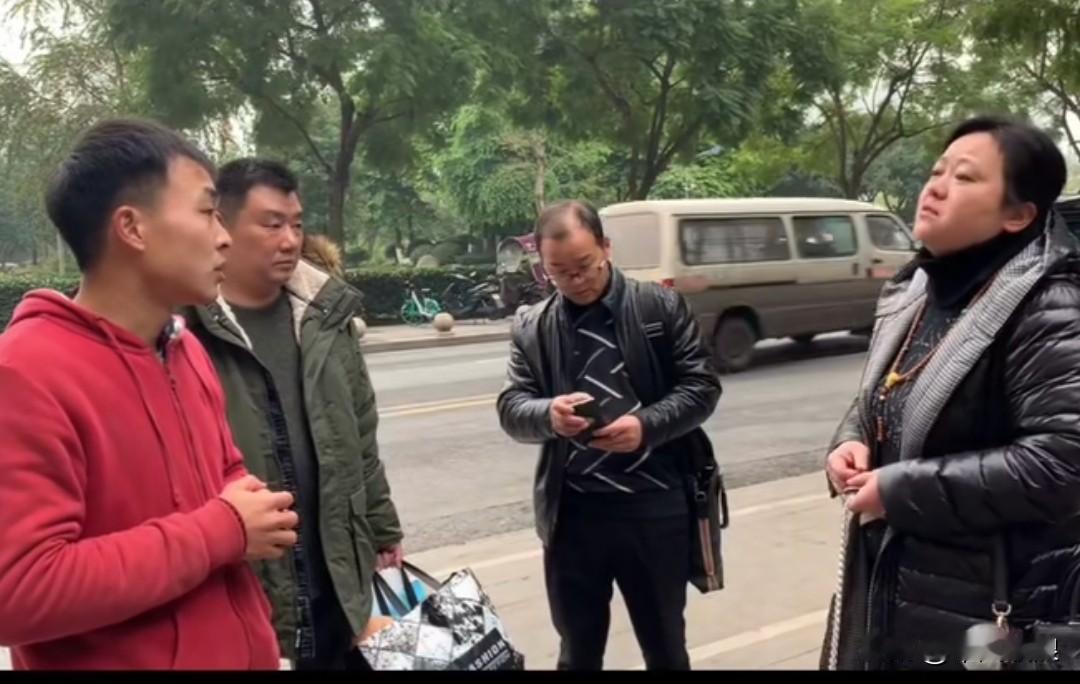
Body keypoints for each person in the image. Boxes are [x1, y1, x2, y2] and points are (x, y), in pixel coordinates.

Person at [0, 119, 294, 669]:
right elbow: (18, 589)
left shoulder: (184, 347)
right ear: (132, 228)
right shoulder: (25, 371)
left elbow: (225, 476)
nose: (224, 237)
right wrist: (222, 529)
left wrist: (249, 505)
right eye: (207, 212)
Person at [821, 115, 1080, 671]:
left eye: (964, 178)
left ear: (1018, 215)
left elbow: (1062, 462)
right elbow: (886, 401)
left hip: (993, 614)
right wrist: (851, 440)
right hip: (892, 591)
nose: (935, 187)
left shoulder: (1048, 307)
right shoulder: (915, 291)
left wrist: (899, 490)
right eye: (937, 171)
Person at [186, 158, 403, 670]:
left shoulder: (325, 317)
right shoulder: (186, 330)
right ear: (223, 225)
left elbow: (361, 434)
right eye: (271, 224)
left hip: (336, 575)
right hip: (251, 584)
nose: (289, 240)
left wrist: (382, 527)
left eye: (297, 224)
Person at [497, 200, 722, 670]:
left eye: (585, 266)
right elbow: (513, 407)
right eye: (559, 272)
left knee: (665, 648)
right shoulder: (533, 326)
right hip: (575, 515)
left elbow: (702, 387)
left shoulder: (657, 306)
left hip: (653, 507)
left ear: (606, 247)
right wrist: (549, 414)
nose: (575, 281)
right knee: (577, 652)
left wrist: (646, 426)